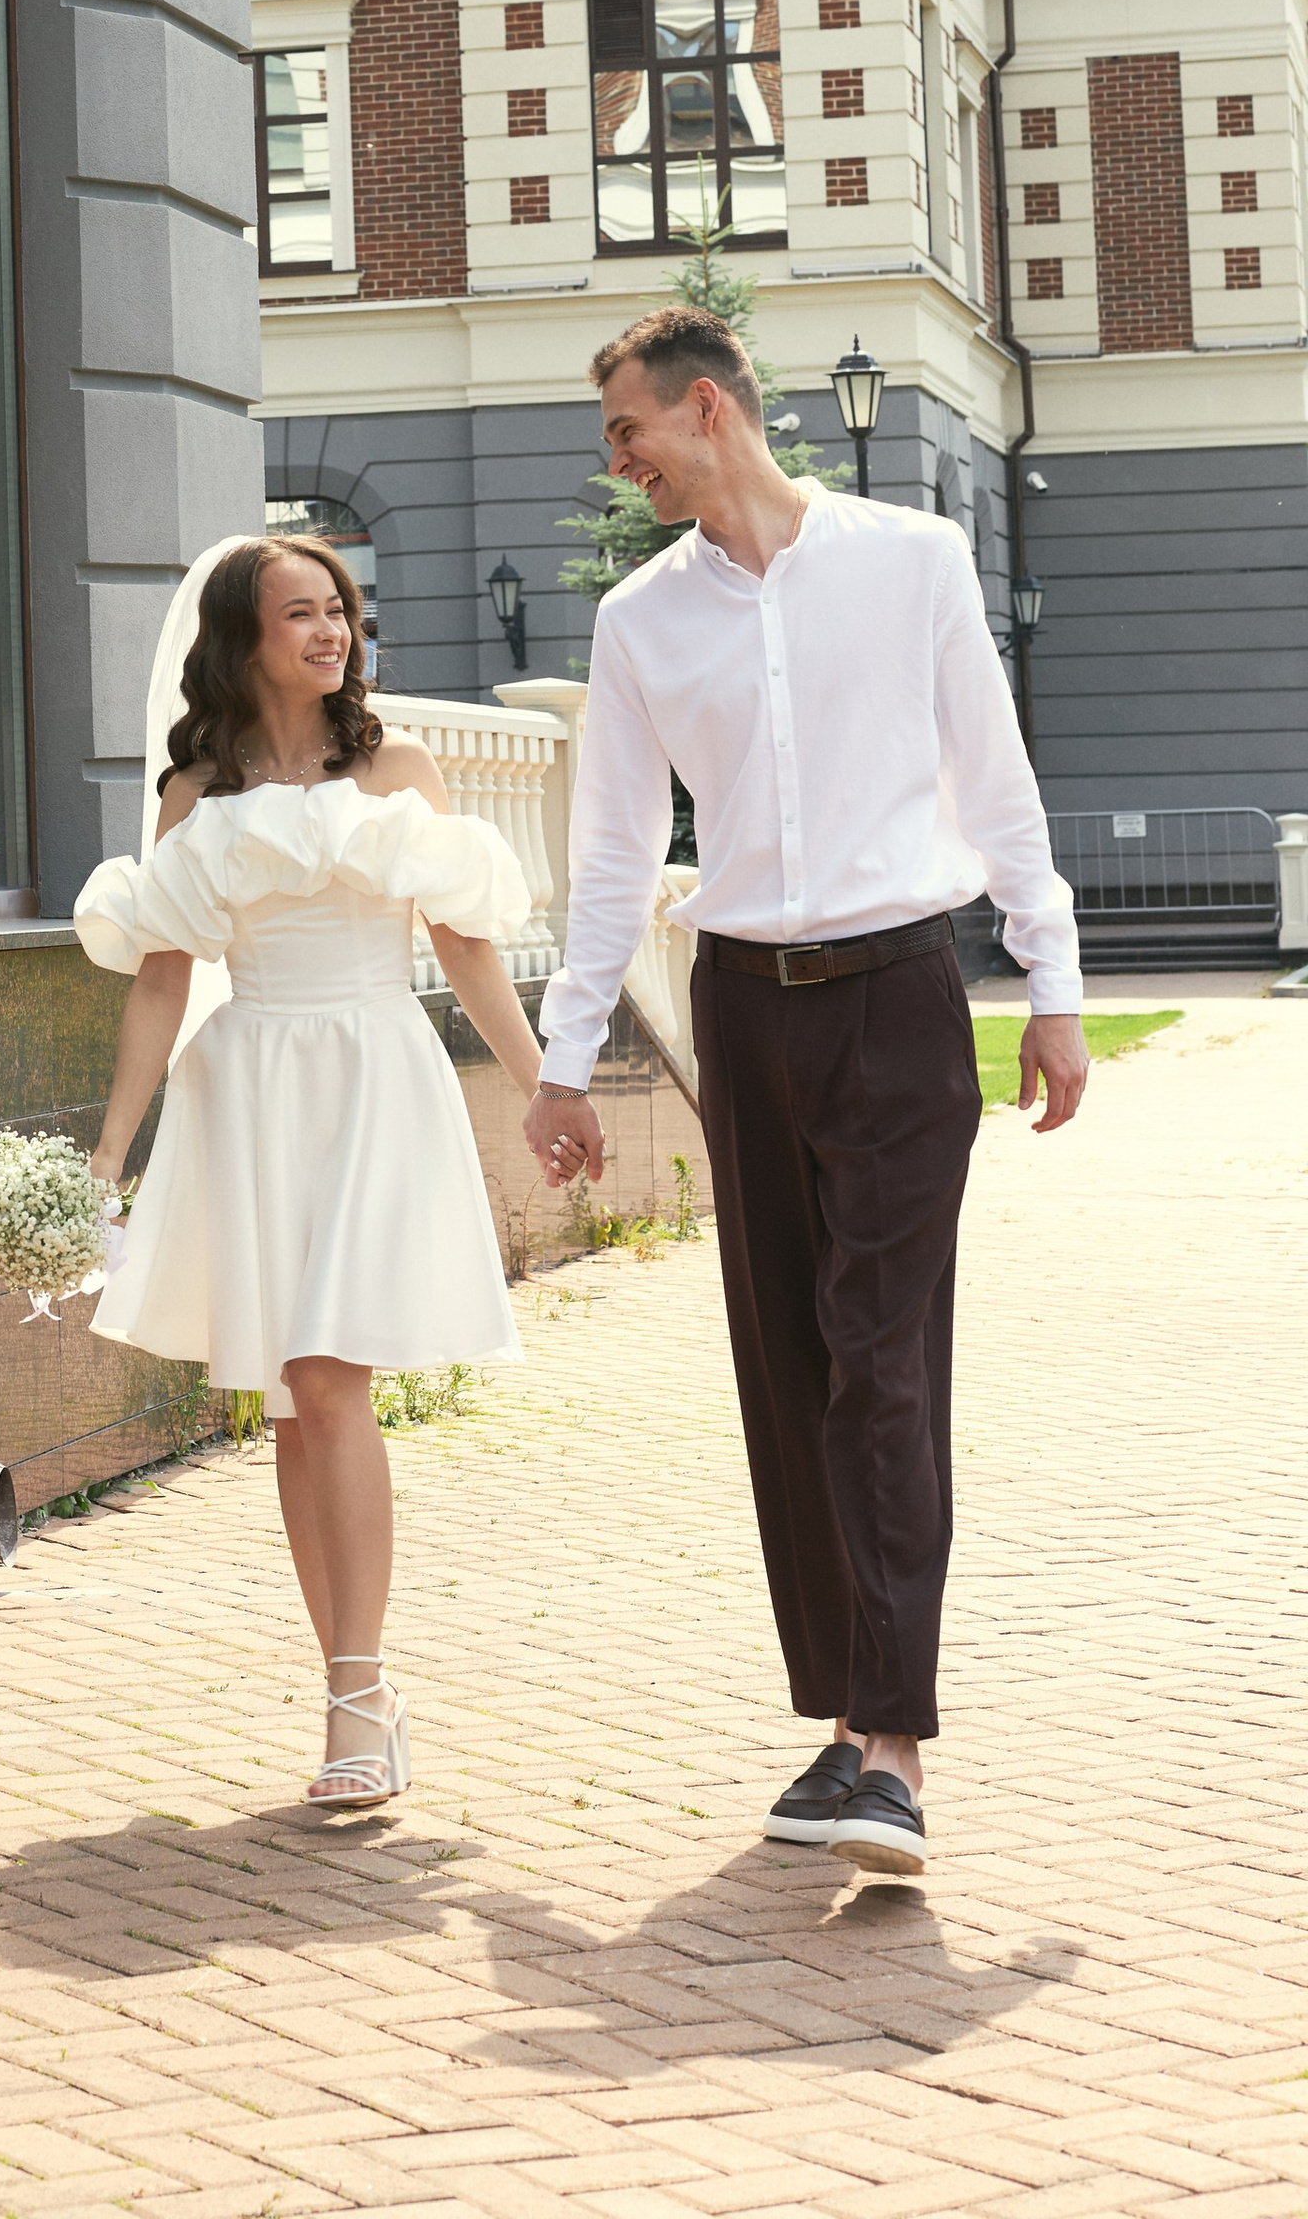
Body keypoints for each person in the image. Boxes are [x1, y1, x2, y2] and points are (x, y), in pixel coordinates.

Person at [524, 305, 1087, 1881]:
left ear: (708, 411)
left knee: (882, 1356)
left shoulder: (910, 563)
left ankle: (891, 1751)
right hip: (746, 1019)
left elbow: (994, 774)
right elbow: (615, 859)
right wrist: (566, 1060)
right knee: (789, 1366)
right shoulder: (641, 622)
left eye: (627, 430)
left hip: (902, 1004)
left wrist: (1052, 986)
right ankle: (841, 1720)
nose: (618, 460)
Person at [78, 531, 543, 1808]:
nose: (330, 632)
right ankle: (352, 1688)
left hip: (373, 1080)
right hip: (251, 1090)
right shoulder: (195, 792)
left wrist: (541, 1081)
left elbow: (464, 945)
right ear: (245, 640)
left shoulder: (396, 766)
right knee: (294, 1395)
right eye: (301, 614)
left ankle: (357, 1695)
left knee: (331, 1379)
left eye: (337, 610)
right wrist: (110, 1152)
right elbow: (163, 978)